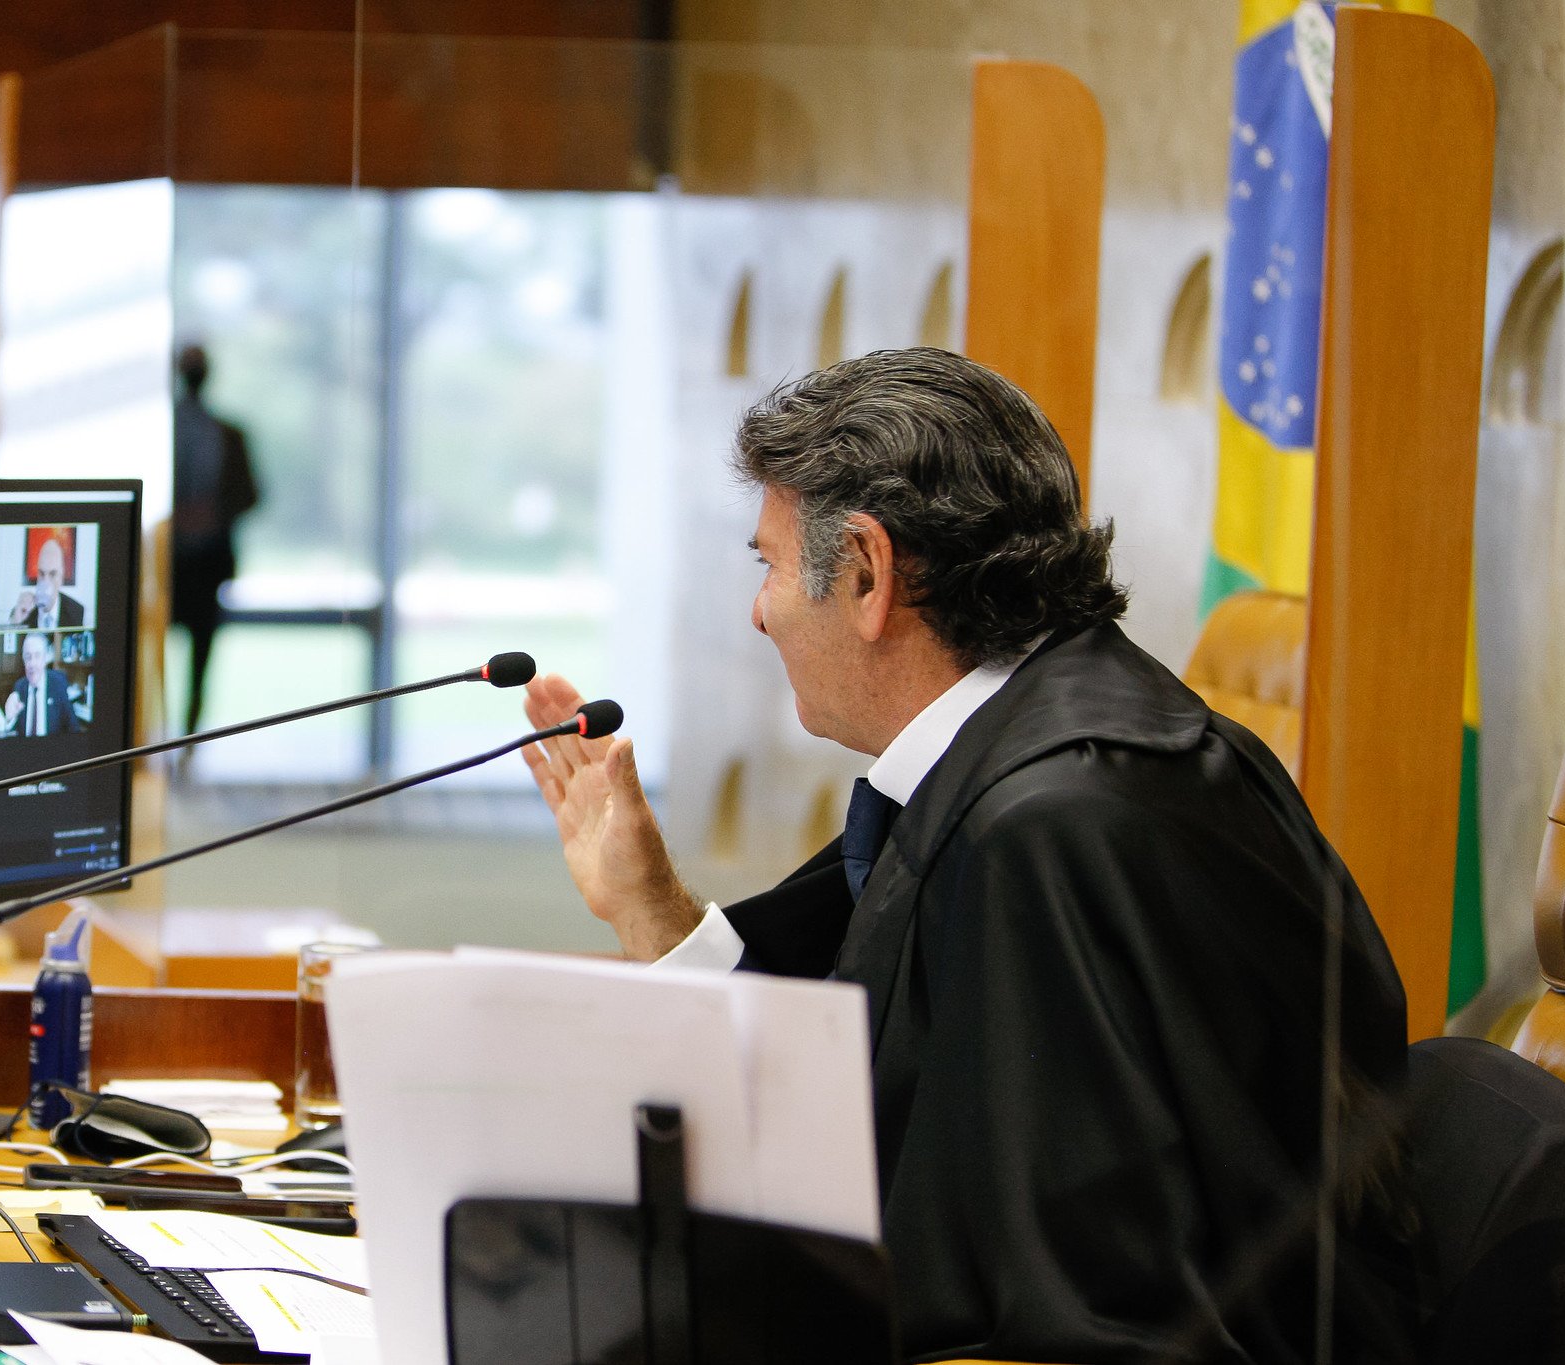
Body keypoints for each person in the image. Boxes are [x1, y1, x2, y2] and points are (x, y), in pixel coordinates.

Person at [520, 349, 1419, 1364]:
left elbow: (1075, 1313)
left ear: (864, 573)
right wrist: (647, 908)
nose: (757, 609)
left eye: (766, 564)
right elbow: (844, 1069)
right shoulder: (1012, 747)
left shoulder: (1058, 820)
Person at [171, 344, 262, 735]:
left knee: (201, 660)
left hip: (207, 562)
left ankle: (189, 740)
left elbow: (250, 493)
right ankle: (155, 745)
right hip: (167, 561)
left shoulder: (228, 434)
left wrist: (212, 513)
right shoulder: (164, 427)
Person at [1, 632, 78, 737]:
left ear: (46, 658)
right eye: (28, 657)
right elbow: (14, 732)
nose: (32, 664)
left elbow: (73, 728)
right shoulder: (19, 686)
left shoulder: (58, 684)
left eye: (37, 656)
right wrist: (10, 718)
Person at [8, 537, 85, 630]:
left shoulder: (76, 611)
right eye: (41, 573)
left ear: (61, 577)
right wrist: (17, 623)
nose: (45, 581)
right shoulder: (24, 611)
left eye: (52, 574)